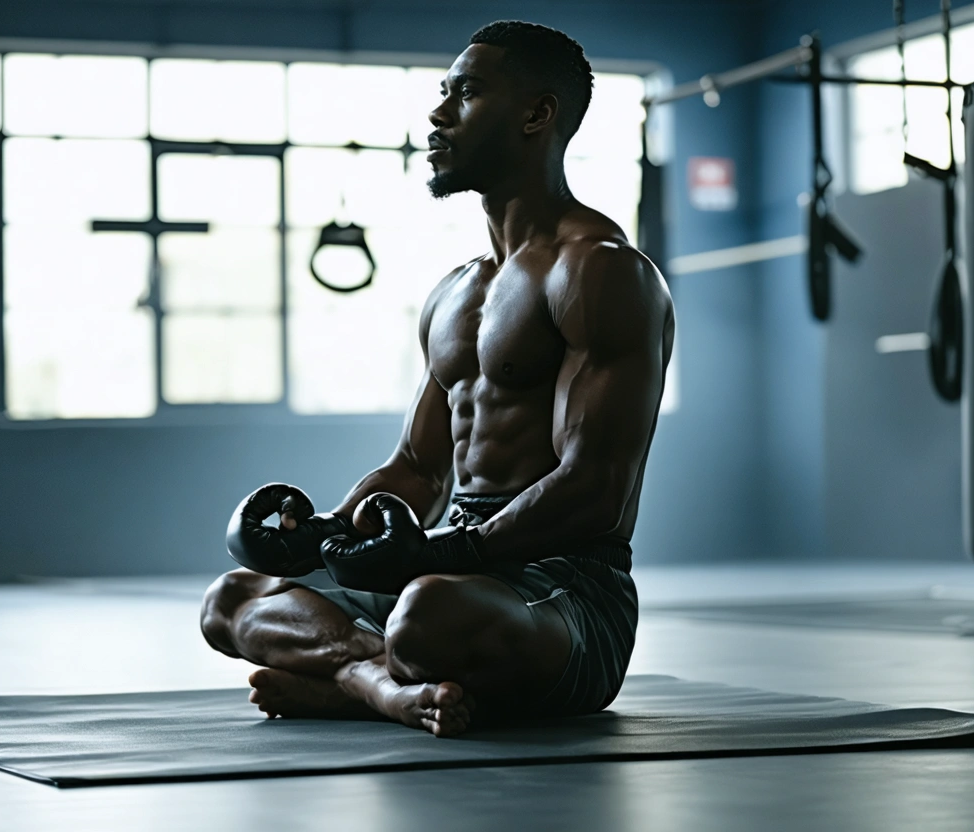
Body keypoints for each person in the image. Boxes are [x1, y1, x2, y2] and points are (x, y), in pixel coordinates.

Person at [201, 20, 674, 737]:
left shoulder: (601, 268)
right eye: (442, 92)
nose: (438, 112)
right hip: (453, 572)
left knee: (426, 614)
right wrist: (323, 535)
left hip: (565, 594)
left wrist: (447, 552)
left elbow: (596, 489)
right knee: (232, 600)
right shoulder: (455, 291)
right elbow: (418, 468)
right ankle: (375, 687)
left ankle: (352, 677)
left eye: (468, 93)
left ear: (536, 115)